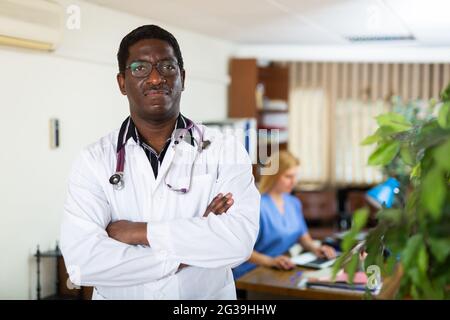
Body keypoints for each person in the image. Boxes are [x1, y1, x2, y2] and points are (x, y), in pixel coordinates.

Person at [60, 25, 260, 299]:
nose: (156, 78)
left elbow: (238, 243)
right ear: (121, 83)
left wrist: (139, 232)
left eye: (167, 67)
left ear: (183, 78)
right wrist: (191, 250)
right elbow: (82, 263)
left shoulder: (225, 150)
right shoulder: (93, 160)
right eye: (140, 68)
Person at [233, 151, 336, 279]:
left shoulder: (293, 202)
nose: (294, 182)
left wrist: (317, 249)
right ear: (274, 176)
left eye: (295, 176)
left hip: (279, 268)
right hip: (252, 271)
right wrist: (270, 261)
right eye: (288, 176)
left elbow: (303, 237)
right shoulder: (256, 205)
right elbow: (239, 249)